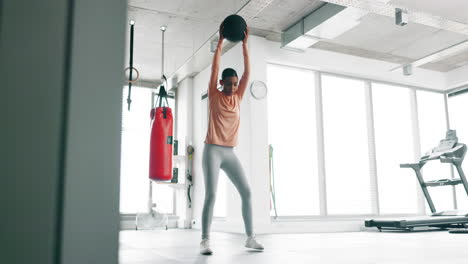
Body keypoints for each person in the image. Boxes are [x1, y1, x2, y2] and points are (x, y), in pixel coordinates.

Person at [200, 24, 264, 255]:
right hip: (212, 151)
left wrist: (245, 45)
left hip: (229, 152)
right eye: (228, 84)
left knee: (246, 191)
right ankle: (205, 240)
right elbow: (215, 67)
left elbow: (248, 72)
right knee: (212, 194)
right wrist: (219, 43)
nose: (232, 87)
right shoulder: (215, 95)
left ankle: (250, 238)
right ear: (221, 84)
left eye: (235, 84)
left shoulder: (238, 96)